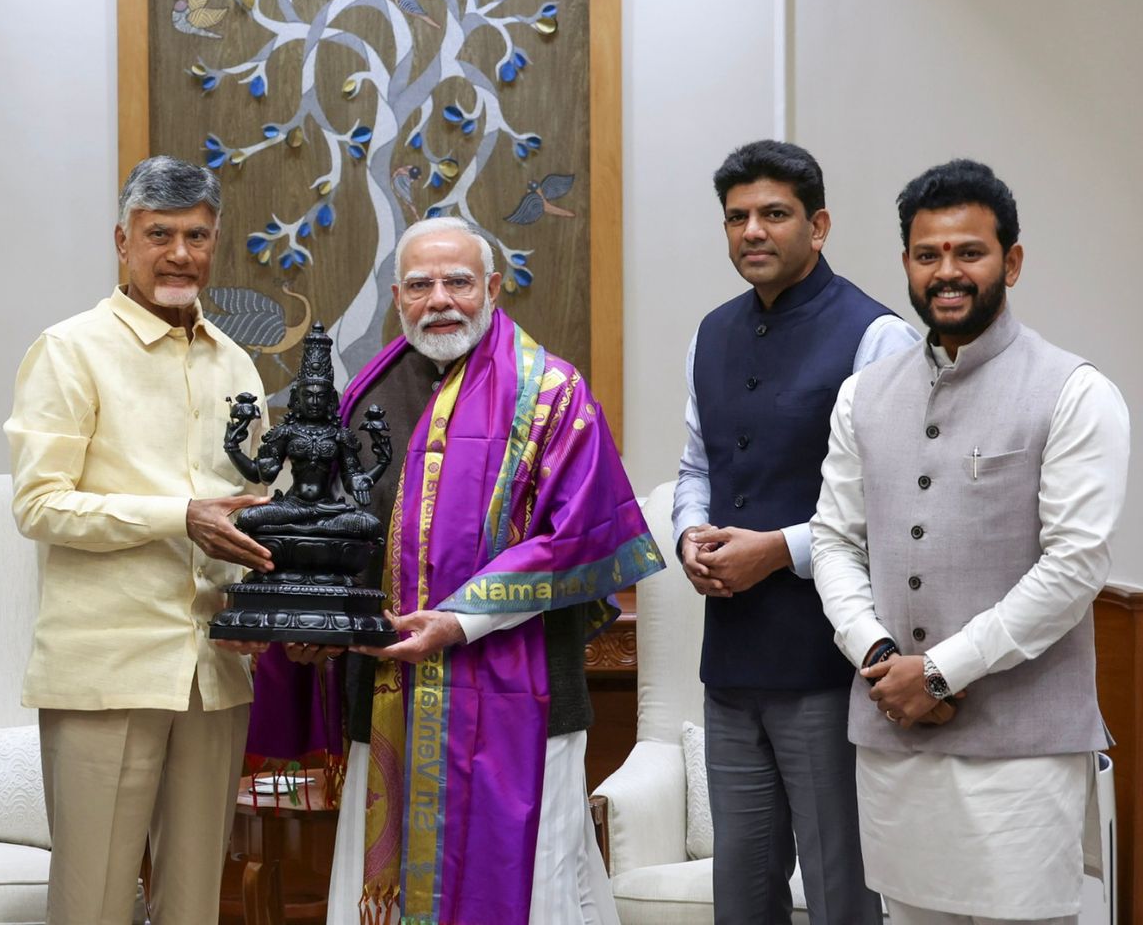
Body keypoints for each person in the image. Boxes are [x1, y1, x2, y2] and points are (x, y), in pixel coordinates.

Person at [249, 218, 664, 925]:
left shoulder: (551, 393)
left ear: (493, 288)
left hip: (520, 694)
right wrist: (318, 620)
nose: (441, 299)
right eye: (420, 285)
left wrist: (460, 621)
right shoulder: (363, 399)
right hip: (387, 693)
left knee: (533, 889)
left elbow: (579, 540)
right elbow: (336, 531)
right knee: (378, 893)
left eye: (458, 282)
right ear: (397, 297)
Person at [811, 159, 1129, 925]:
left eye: (969, 252)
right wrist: (881, 658)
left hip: (1020, 757)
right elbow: (833, 540)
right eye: (928, 255)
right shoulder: (864, 394)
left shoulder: (1076, 390)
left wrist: (944, 672)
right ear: (908, 265)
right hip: (894, 746)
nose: (947, 272)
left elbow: (1075, 564)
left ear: (1011, 262)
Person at [3, 155, 270, 925]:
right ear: (123, 241)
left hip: (214, 671)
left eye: (196, 235)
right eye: (160, 234)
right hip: (105, 672)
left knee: (194, 907)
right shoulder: (70, 349)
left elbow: (253, 509)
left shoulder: (237, 362)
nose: (179, 253)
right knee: (92, 904)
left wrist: (261, 602)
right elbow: (40, 506)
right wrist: (178, 515)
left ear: (215, 242)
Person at [674, 140, 916, 924]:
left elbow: (897, 507)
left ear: (818, 225)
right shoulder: (709, 334)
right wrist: (690, 536)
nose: (753, 231)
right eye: (737, 217)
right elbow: (693, 467)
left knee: (843, 890)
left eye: (774, 214)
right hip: (732, 661)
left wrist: (777, 550)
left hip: (831, 660)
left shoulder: (877, 338)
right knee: (740, 895)